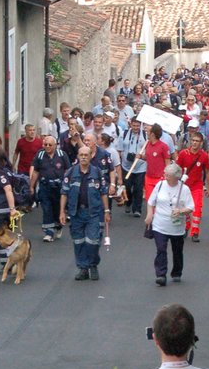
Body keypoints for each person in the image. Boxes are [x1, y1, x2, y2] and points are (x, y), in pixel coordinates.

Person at [59, 145, 111, 281]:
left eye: (86, 155)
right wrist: (62, 212)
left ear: (90, 156)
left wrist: (106, 211)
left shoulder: (97, 173)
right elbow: (64, 193)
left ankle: (93, 265)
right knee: (78, 241)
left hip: (93, 212)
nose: (83, 157)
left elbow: (104, 193)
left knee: (93, 241)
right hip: (76, 213)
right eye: (81, 155)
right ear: (77, 156)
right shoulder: (70, 173)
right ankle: (83, 268)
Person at [145, 163, 195, 286]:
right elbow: (151, 201)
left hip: (176, 226)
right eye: (165, 174)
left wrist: (181, 211)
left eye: (168, 175)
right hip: (159, 224)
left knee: (177, 250)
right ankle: (161, 274)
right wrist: (149, 214)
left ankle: (177, 272)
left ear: (176, 177)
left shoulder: (184, 189)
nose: (165, 176)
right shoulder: (160, 185)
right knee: (161, 249)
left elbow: (191, 207)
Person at [29, 134, 68, 241]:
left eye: (50, 145)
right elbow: (36, 171)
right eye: (45, 144)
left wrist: (67, 186)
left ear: (55, 145)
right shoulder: (40, 155)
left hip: (58, 187)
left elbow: (68, 171)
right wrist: (32, 186)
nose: (47, 146)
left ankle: (58, 225)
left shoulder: (62, 155)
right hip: (44, 187)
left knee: (57, 209)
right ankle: (49, 232)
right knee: (46, 209)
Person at [176, 130, 209, 242]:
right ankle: (186, 227)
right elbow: (177, 169)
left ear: (201, 143)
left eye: (197, 141)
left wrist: (208, 187)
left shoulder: (204, 156)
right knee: (185, 208)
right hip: (184, 186)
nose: (195, 143)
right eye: (193, 140)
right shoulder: (183, 154)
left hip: (197, 186)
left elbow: (208, 171)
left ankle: (195, 231)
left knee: (197, 209)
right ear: (190, 141)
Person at [119, 116, 147, 216]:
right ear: (131, 125)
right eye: (134, 125)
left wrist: (142, 156)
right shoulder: (124, 134)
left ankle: (137, 209)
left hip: (140, 166)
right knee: (127, 187)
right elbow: (120, 149)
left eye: (138, 126)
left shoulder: (145, 135)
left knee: (138, 188)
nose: (136, 127)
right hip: (126, 166)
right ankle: (128, 202)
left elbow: (148, 150)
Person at [143, 124, 171, 202]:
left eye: (148, 131)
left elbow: (167, 163)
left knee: (159, 200)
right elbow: (148, 157)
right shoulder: (147, 144)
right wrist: (141, 157)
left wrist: (166, 177)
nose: (146, 133)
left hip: (160, 178)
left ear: (152, 134)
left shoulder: (163, 146)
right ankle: (151, 214)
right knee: (149, 201)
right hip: (148, 177)